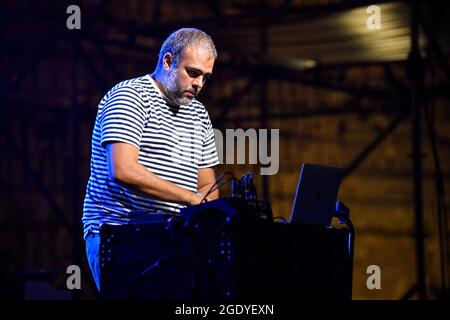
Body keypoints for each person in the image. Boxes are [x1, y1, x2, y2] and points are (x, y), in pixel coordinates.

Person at [82, 28, 220, 291]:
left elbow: (208, 188)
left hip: (174, 235)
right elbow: (123, 170)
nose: (199, 84)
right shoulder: (130, 96)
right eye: (192, 73)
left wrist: (201, 207)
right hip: (120, 232)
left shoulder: (199, 114)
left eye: (206, 77)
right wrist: (191, 199)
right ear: (168, 62)